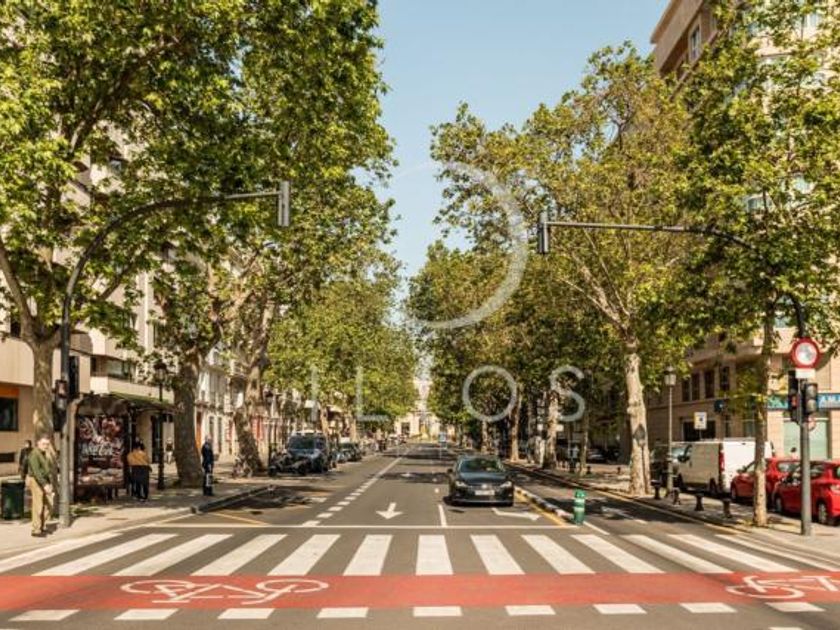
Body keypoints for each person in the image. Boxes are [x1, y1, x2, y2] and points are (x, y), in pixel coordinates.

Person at [26, 436, 56, 537]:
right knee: (38, 505)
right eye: (43, 444)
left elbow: (46, 470)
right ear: (38, 443)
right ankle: (36, 530)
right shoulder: (34, 454)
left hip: (44, 480)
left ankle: (42, 526)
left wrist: (49, 483)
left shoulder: (44, 453)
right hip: (36, 480)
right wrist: (44, 484)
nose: (45, 446)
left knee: (48, 504)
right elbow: (36, 472)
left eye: (47, 444)